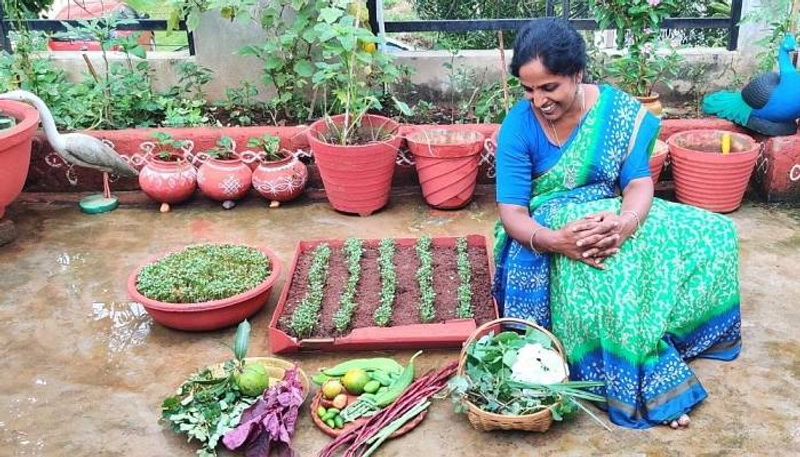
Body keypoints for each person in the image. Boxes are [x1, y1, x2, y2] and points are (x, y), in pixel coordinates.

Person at [492, 18, 741, 429]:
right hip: (547, 227)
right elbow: (513, 213)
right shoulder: (519, 126)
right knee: (612, 271)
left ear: (577, 74)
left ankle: (669, 332)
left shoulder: (617, 112)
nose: (538, 100)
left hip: (611, 216)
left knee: (717, 233)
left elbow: (639, 182)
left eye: (549, 87)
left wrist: (626, 225)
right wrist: (558, 241)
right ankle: (637, 366)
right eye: (528, 89)